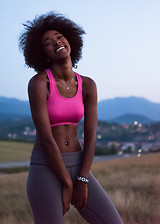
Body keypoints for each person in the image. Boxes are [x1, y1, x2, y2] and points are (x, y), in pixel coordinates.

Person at [19, 11, 124, 224]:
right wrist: (67, 184)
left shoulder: (88, 85)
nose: (56, 42)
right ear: (44, 53)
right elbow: (46, 138)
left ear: (69, 39)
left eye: (59, 36)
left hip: (78, 164)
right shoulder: (39, 83)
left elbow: (91, 135)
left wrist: (82, 179)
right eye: (48, 42)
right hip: (45, 167)